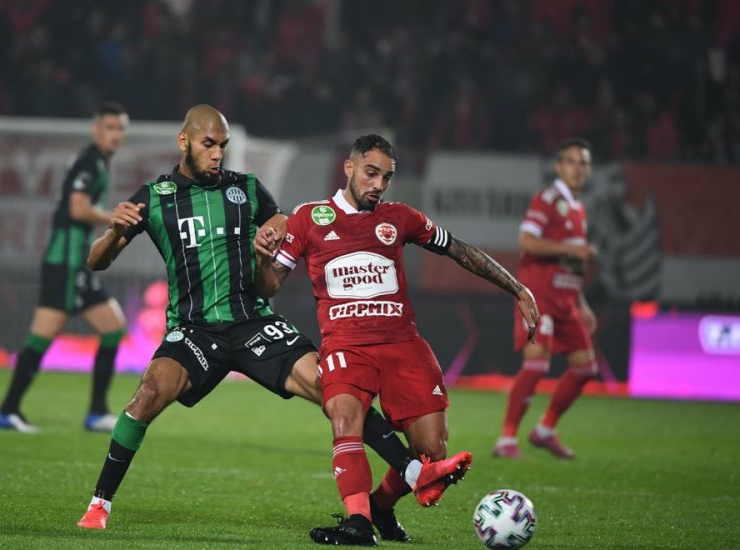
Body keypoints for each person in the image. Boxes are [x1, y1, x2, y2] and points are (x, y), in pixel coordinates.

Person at [76, 105, 465, 535]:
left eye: (223, 145)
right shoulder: (154, 196)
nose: (218, 154)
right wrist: (115, 231)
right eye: (209, 144)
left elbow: (282, 221)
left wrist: (274, 228)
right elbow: (96, 261)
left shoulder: (246, 188)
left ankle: (412, 473)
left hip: (254, 322)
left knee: (334, 391)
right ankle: (99, 503)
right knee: (147, 394)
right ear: (184, 141)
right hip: (195, 329)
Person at [256, 134, 540, 545]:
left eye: (386, 177)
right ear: (349, 168)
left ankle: (380, 507)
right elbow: (268, 286)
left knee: (433, 451)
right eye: (371, 173)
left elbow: (458, 250)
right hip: (346, 345)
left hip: (402, 345)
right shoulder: (308, 218)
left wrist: (517, 288)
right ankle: (357, 522)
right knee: (344, 417)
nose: (378, 185)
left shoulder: (400, 217)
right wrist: (261, 257)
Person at [0, 102, 131, 434]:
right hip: (67, 262)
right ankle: (8, 410)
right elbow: (77, 209)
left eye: (120, 129)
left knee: (113, 328)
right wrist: (112, 217)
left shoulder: (97, 162)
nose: (115, 134)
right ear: (96, 130)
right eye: (109, 127)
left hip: (74, 262)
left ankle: (96, 412)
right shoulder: (89, 162)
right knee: (43, 336)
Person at [493, 137, 598, 460]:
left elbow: (572, 261)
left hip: (566, 300)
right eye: (571, 161)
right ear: (558, 166)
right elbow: (527, 242)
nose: (577, 168)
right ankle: (506, 439)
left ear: (590, 169)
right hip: (539, 297)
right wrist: (571, 249)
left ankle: (545, 430)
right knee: (537, 364)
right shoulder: (548, 199)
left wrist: (581, 304)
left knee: (585, 367)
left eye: (583, 163)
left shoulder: (578, 207)